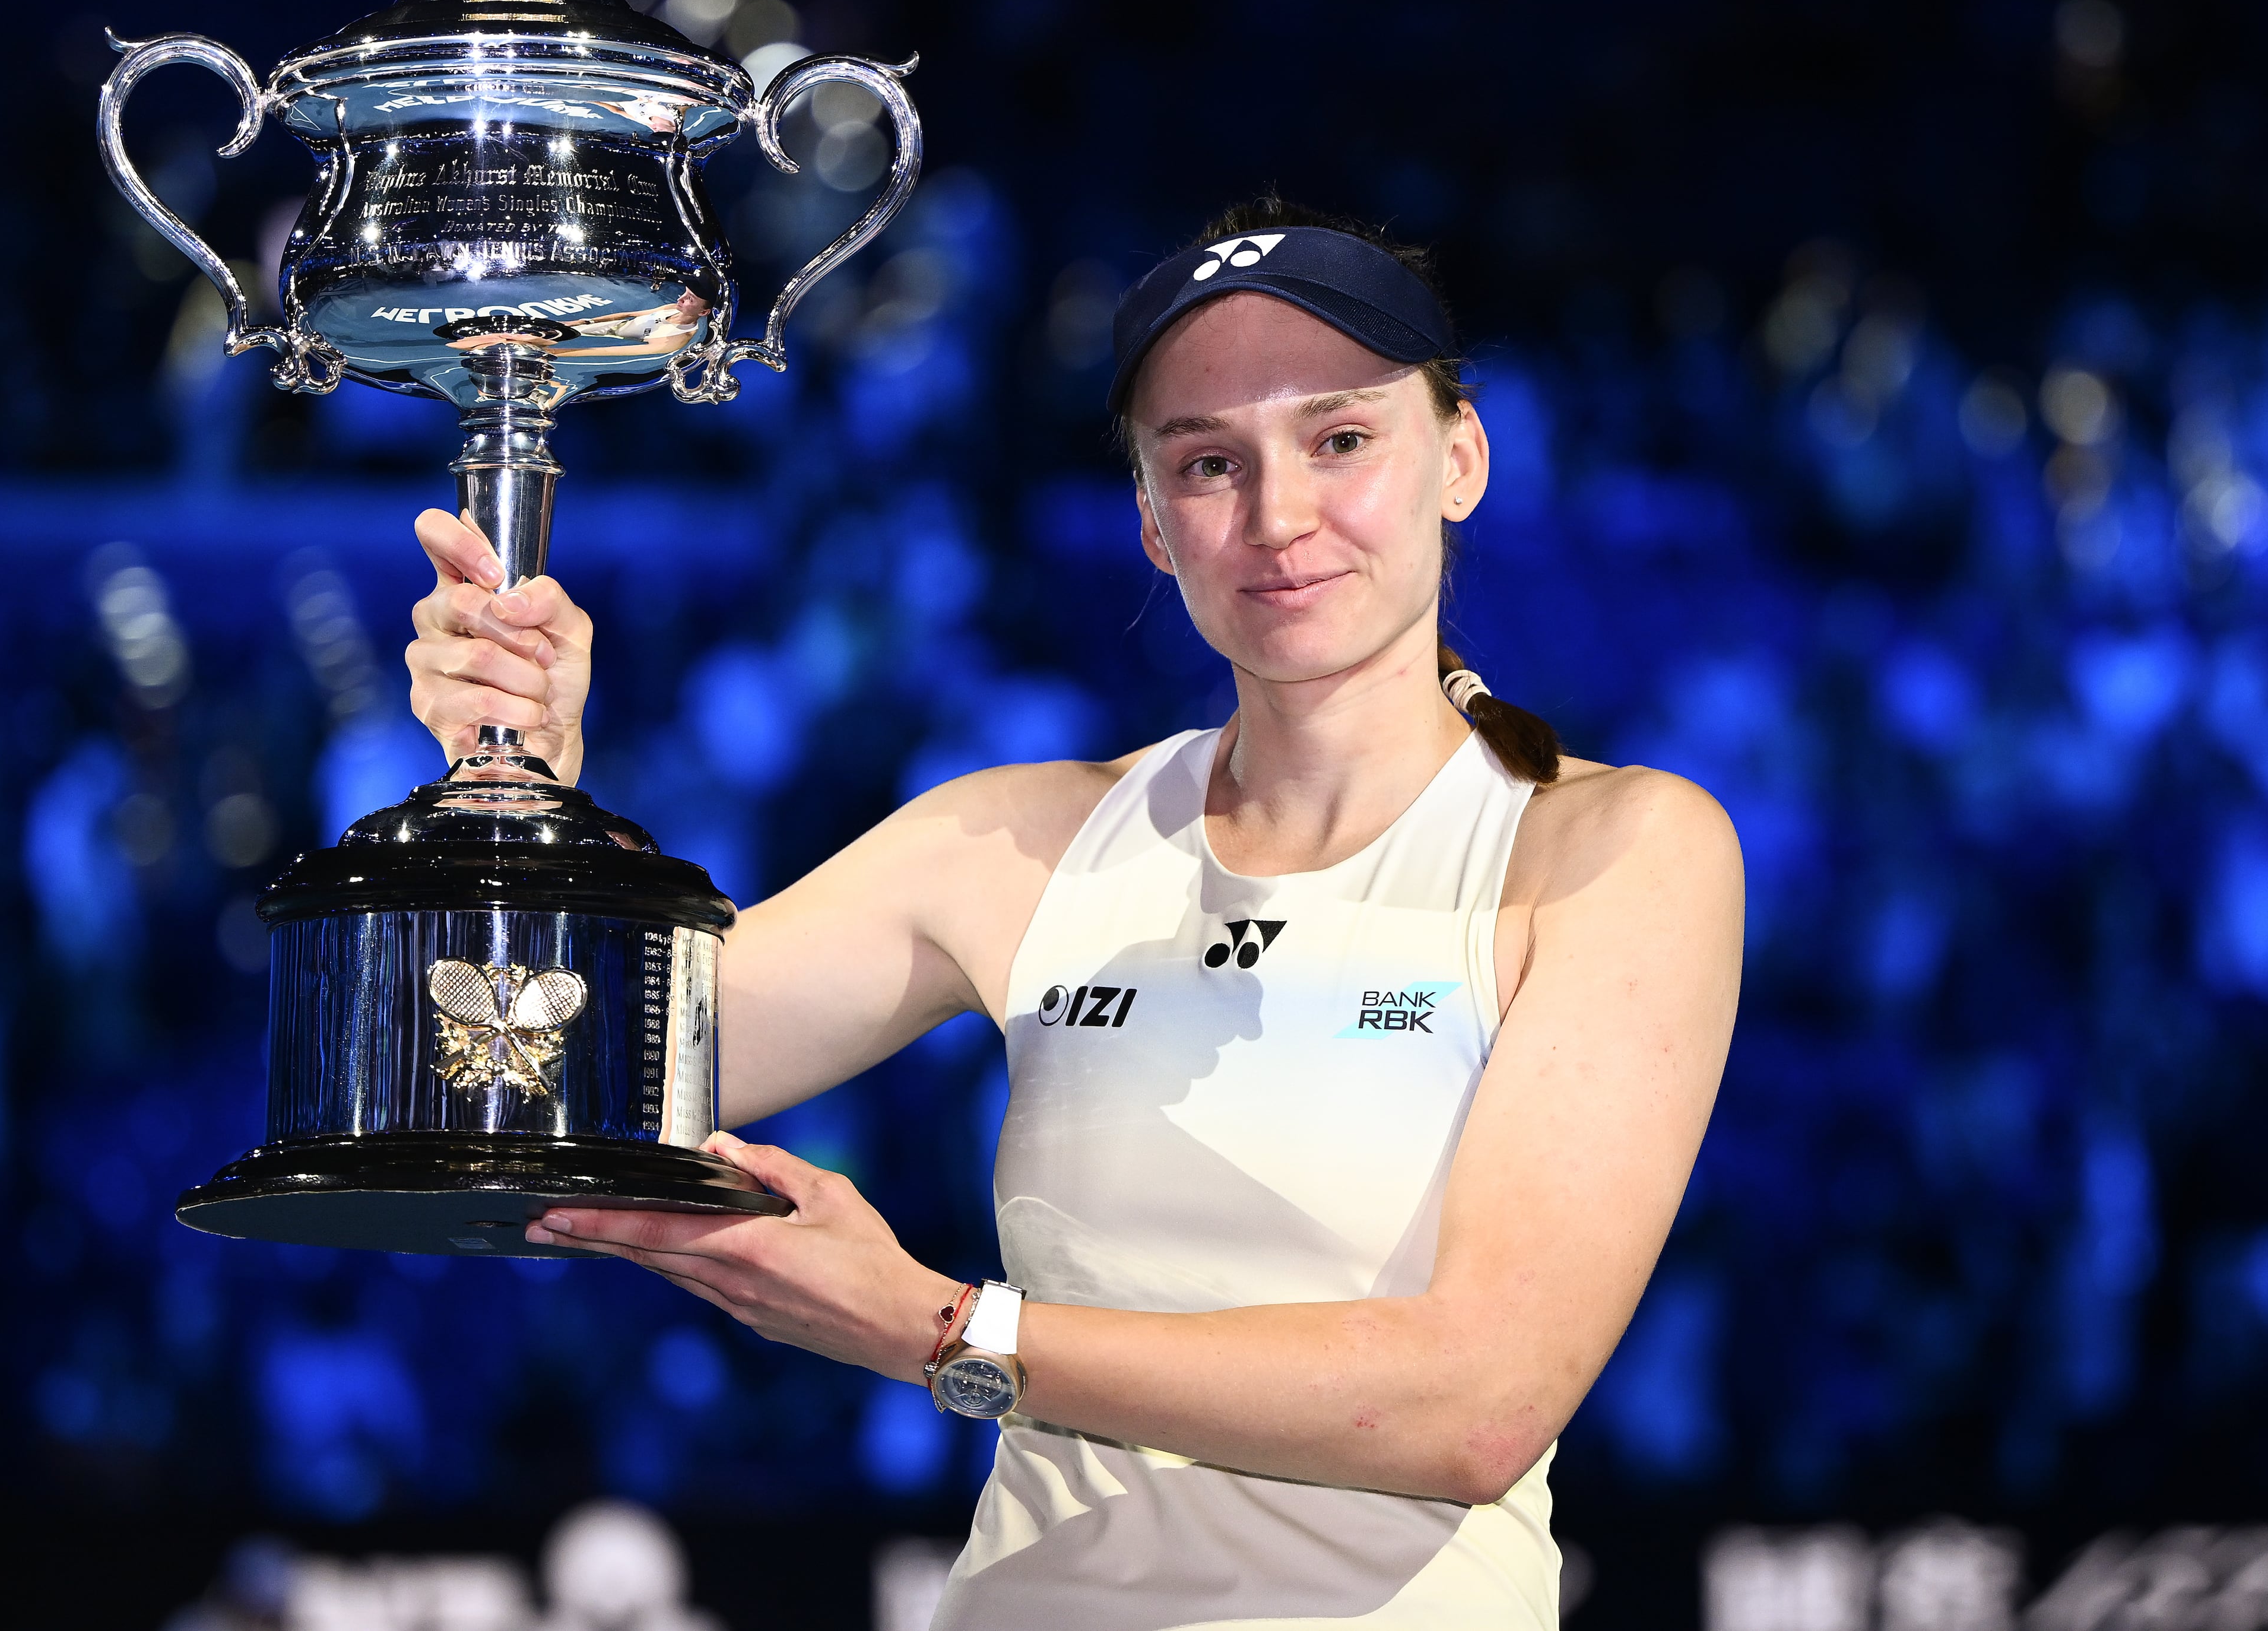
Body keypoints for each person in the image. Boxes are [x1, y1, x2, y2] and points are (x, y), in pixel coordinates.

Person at [402, 199, 1743, 1630]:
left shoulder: (1605, 848)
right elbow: (550, 1075)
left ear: (1459, 457)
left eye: (1340, 438)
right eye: (1208, 463)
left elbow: (1476, 1399)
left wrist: (949, 1331)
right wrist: (524, 786)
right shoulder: (1022, 842)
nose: (1280, 515)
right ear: (1154, 527)